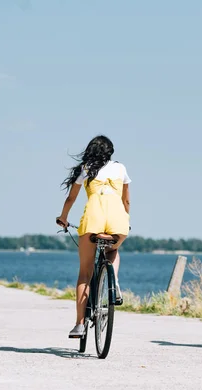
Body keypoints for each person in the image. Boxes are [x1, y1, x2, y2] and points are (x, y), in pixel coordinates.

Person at [56, 135, 131, 338]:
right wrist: (125, 222)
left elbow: (71, 197)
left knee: (85, 273)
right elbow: (126, 201)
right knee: (113, 249)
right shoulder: (121, 168)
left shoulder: (86, 169)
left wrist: (63, 217)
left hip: (93, 221)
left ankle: (79, 324)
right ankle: (113, 283)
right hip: (118, 221)